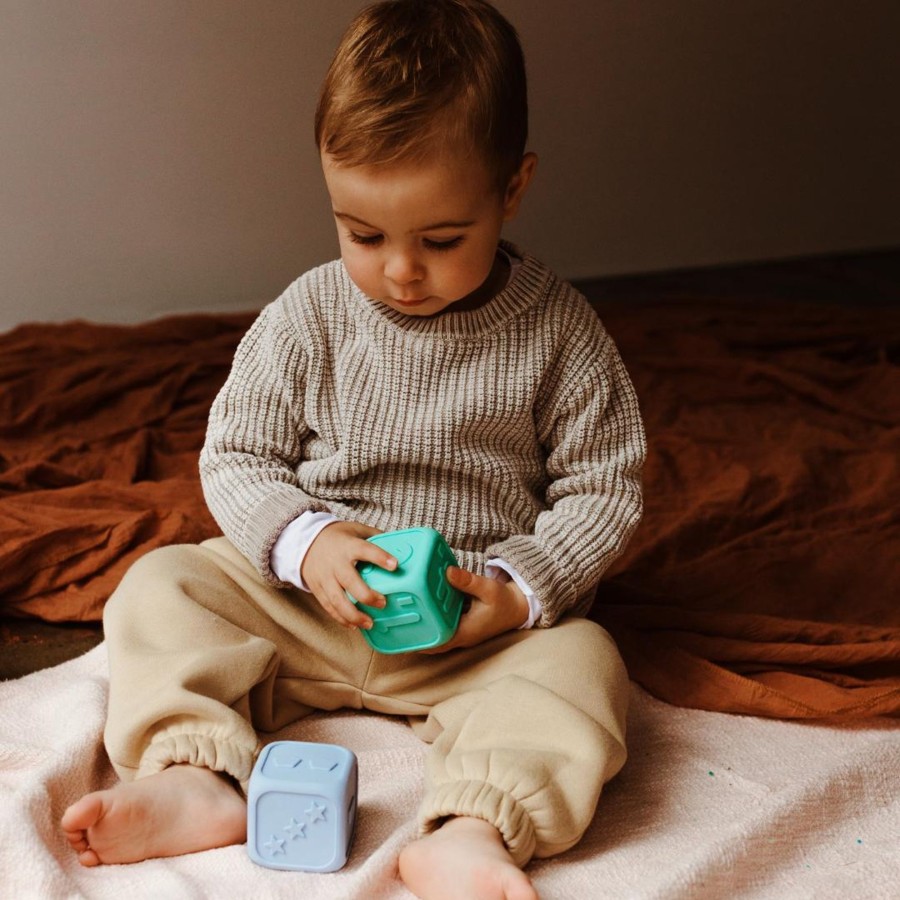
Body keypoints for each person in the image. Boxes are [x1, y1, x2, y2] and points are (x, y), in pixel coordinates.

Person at [61, 1, 646, 897]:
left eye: (441, 239)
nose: (400, 271)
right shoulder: (308, 317)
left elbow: (605, 490)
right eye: (363, 234)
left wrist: (523, 590)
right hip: (306, 610)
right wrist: (304, 542)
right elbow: (237, 456)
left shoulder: (560, 332)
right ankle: (195, 773)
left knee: (586, 667)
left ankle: (474, 826)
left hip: (468, 633)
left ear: (513, 188)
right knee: (163, 586)